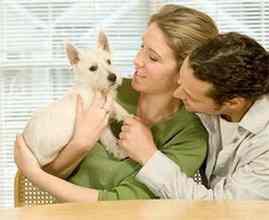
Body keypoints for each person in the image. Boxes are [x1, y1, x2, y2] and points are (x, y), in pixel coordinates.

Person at [14, 4, 218, 202]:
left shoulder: (190, 137)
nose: (137, 60)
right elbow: (52, 170)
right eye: (141, 47)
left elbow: (118, 203)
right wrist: (80, 144)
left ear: (186, 71)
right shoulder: (105, 89)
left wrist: (149, 153)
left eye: (153, 57)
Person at [119, 32, 269, 200]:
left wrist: (148, 155)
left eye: (190, 96)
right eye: (180, 81)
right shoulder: (215, 95)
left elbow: (220, 208)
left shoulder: (264, 145)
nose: (177, 93)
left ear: (233, 103)